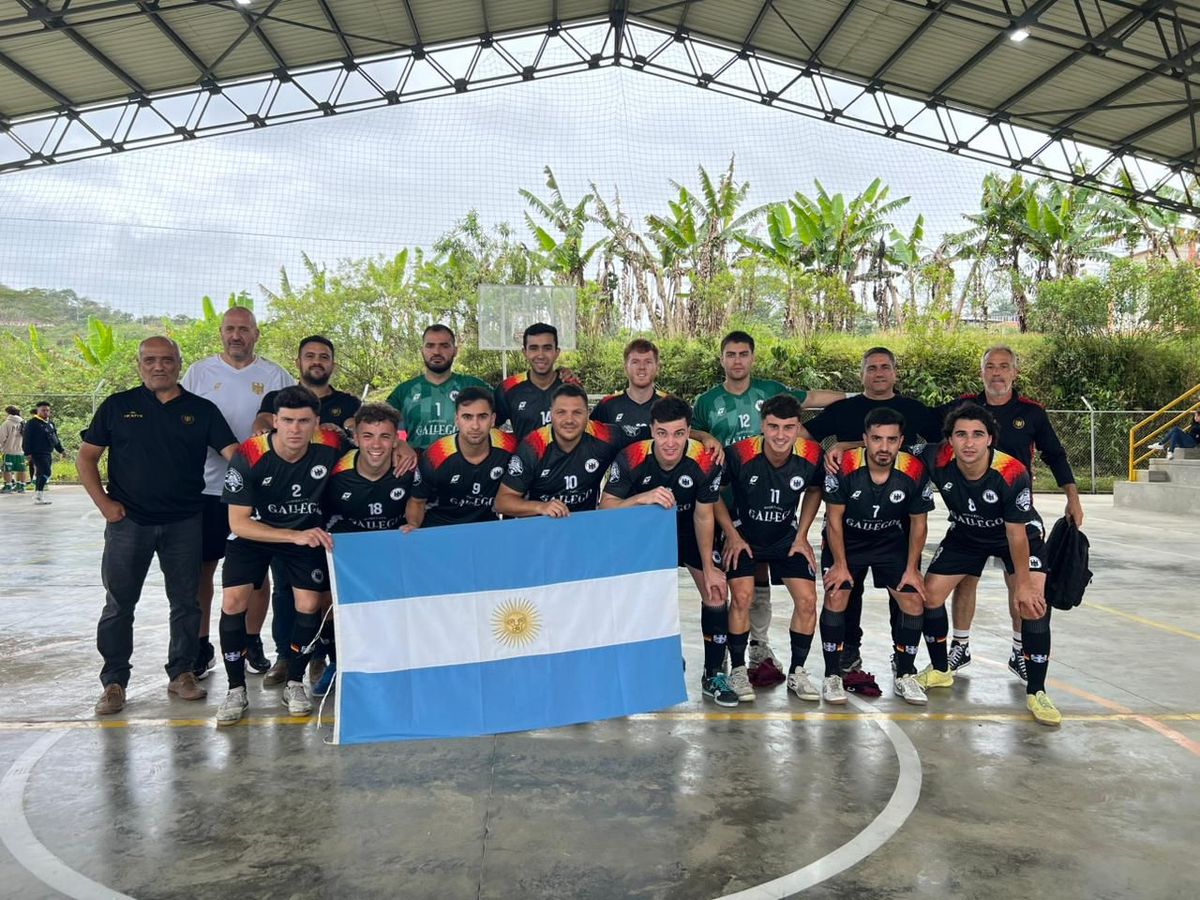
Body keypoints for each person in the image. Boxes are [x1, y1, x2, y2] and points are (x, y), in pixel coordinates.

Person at [78, 337, 238, 715]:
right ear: (139, 365)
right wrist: (105, 505)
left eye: (166, 360)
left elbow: (236, 456)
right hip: (128, 524)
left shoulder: (202, 410)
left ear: (179, 364)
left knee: (186, 602)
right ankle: (114, 682)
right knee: (119, 604)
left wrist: (277, 462)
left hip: (185, 522)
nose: (158, 366)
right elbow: (87, 458)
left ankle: (182, 673)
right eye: (150, 360)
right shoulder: (118, 407)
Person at [692, 330, 846, 683]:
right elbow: (693, 433)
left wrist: (858, 397)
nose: (737, 360)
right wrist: (707, 437)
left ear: (752, 358)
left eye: (743, 354)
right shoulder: (706, 401)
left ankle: (760, 646)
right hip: (727, 505)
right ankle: (722, 662)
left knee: (763, 579)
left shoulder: (771, 393)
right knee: (734, 584)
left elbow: (809, 399)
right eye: (730, 354)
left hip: (772, 502)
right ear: (722, 359)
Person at [938, 346, 1082, 679]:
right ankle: (960, 646)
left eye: (1004, 367)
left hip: (1015, 515)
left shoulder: (1031, 413)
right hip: (971, 515)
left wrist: (1072, 497)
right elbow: (918, 432)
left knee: (1020, 583)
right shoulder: (963, 408)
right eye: (990, 367)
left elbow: (1055, 454)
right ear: (981, 372)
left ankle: (1019, 650)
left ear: (1015, 373)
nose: (997, 373)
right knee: (964, 580)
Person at [917, 402, 1061, 726]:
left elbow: (1016, 534)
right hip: (967, 532)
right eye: (961, 435)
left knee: (1033, 602)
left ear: (990, 440)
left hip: (1017, 533)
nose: (969, 443)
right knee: (928, 596)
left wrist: (1023, 583)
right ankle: (941, 669)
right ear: (949, 440)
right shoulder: (934, 457)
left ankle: (1036, 689)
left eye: (977, 435)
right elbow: (886, 444)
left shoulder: (1011, 472)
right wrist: (841, 448)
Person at [804, 347, 942, 675]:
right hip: (849, 517)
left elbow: (939, 445)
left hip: (898, 516)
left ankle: (902, 653)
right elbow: (807, 437)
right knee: (846, 589)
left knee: (905, 589)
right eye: (871, 368)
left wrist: (846, 444)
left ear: (895, 372)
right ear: (862, 373)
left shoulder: (913, 410)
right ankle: (848, 651)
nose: (878, 374)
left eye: (884, 367)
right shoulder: (845, 409)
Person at [215, 386, 344, 726]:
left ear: (317, 422)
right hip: (256, 533)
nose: (295, 429)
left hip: (303, 536)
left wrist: (402, 446)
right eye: (287, 420)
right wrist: (293, 535)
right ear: (274, 421)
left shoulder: (330, 446)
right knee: (232, 602)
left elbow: (373, 448)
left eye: (304, 421)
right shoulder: (250, 453)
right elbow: (238, 523)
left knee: (309, 605)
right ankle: (235, 689)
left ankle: (295, 681)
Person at [180, 306, 294, 681]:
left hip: (261, 493)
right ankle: (201, 646)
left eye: (244, 329)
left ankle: (251, 640)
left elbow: (295, 419)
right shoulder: (199, 372)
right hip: (209, 489)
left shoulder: (275, 374)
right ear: (220, 333)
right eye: (230, 329)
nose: (236, 336)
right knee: (204, 571)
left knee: (257, 575)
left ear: (256, 334)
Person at [600, 396, 732, 705]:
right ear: (652, 431)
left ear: (689, 432)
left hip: (688, 529)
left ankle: (714, 673)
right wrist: (640, 498)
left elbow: (703, 514)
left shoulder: (704, 460)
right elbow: (606, 507)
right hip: (644, 535)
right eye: (662, 433)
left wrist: (709, 567)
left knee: (716, 591)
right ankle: (661, 661)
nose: (670, 442)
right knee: (641, 597)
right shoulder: (631, 456)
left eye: (678, 433)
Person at [252, 335, 362, 686]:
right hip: (284, 513)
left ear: (333, 363)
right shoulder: (278, 399)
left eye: (324, 356)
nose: (317, 361)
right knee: (286, 588)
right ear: (298, 362)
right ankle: (287, 656)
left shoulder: (348, 402)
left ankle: (324, 657)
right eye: (310, 356)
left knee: (327, 590)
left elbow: (359, 445)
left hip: (327, 512)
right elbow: (260, 431)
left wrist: (336, 433)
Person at [820, 407, 933, 706]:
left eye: (892, 440)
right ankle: (832, 675)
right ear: (864, 440)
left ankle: (905, 673)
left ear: (901, 441)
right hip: (847, 540)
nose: (884, 447)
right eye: (877, 439)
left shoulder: (914, 469)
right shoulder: (843, 466)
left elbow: (919, 524)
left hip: (889, 541)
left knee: (912, 598)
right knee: (837, 594)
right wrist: (841, 566)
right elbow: (833, 520)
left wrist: (912, 569)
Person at [719, 394, 825, 703]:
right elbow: (712, 494)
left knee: (807, 600)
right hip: (745, 537)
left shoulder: (810, 454)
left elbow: (815, 489)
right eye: (774, 427)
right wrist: (731, 535)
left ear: (797, 429)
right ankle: (738, 670)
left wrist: (802, 534)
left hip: (784, 539)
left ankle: (797, 671)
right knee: (741, 596)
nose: (781, 435)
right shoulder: (739, 454)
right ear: (762, 426)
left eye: (788, 428)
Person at [314, 403, 415, 697]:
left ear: (397, 439)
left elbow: (419, 504)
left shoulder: (408, 467)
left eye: (385, 436)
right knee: (332, 602)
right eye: (368, 436)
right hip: (348, 549)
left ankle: (398, 664)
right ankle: (338, 662)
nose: (376, 444)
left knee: (394, 607)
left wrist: (413, 524)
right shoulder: (336, 471)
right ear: (355, 438)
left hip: (391, 547)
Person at [494, 384, 621, 518]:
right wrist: (541, 507)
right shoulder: (534, 446)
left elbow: (644, 435)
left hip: (584, 526)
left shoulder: (605, 435)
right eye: (561, 412)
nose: (569, 420)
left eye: (577, 412)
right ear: (551, 414)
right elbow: (502, 502)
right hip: (541, 528)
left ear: (587, 414)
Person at [405, 387, 518, 529]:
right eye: (467, 417)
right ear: (456, 420)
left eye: (482, 416)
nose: (475, 426)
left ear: (493, 419)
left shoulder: (510, 447)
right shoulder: (436, 456)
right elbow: (416, 502)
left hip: (486, 528)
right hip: (441, 528)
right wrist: (413, 525)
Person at [386, 324, 491, 450]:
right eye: (430, 346)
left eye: (444, 346)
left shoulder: (473, 385)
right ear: (422, 350)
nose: (436, 352)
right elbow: (380, 427)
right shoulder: (404, 391)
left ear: (455, 350)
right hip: (417, 465)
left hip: (465, 466)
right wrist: (400, 444)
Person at [494, 323, 583, 441]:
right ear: (524, 352)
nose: (540, 355)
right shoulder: (508, 388)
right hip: (526, 459)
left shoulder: (571, 386)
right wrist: (512, 449)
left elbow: (584, 427)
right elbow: (490, 426)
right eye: (534, 348)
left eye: (547, 348)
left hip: (568, 460)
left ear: (557, 352)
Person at [590, 338, 667, 446]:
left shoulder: (670, 404)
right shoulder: (607, 405)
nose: (642, 367)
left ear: (657, 367)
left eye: (648, 362)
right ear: (625, 367)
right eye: (635, 362)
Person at [22, 400, 65, 505]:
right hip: (37, 453)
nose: (45, 412)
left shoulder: (50, 423)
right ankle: (38, 495)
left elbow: (55, 438)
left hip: (47, 452)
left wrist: (61, 450)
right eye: (43, 410)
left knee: (42, 473)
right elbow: (27, 439)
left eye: (47, 410)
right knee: (46, 472)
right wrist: (27, 453)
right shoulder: (32, 423)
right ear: (38, 411)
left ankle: (38, 496)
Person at [0, 405, 27, 494]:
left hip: (9, 450)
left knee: (7, 469)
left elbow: (2, 437)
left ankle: (8, 486)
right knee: (21, 469)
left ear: (8, 413)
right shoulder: (23, 423)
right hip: (20, 451)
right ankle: (21, 486)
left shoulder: (6, 423)